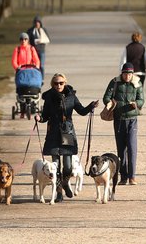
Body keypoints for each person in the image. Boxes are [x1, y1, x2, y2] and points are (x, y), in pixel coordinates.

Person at [36, 73, 98, 202]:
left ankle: (65, 182)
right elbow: (45, 116)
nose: (58, 85)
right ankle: (58, 193)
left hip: (67, 133)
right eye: (56, 83)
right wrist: (39, 118)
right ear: (52, 84)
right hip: (53, 133)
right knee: (55, 166)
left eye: (61, 83)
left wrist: (91, 106)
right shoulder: (49, 98)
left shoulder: (71, 96)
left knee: (68, 166)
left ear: (65, 83)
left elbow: (81, 111)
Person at [102, 62, 144, 185]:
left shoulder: (137, 83)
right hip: (118, 119)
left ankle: (132, 177)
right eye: (125, 74)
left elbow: (141, 99)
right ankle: (123, 177)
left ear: (132, 74)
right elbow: (106, 96)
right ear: (122, 73)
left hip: (132, 119)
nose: (127, 76)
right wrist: (109, 102)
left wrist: (136, 104)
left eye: (130, 74)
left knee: (132, 148)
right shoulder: (114, 82)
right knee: (121, 150)